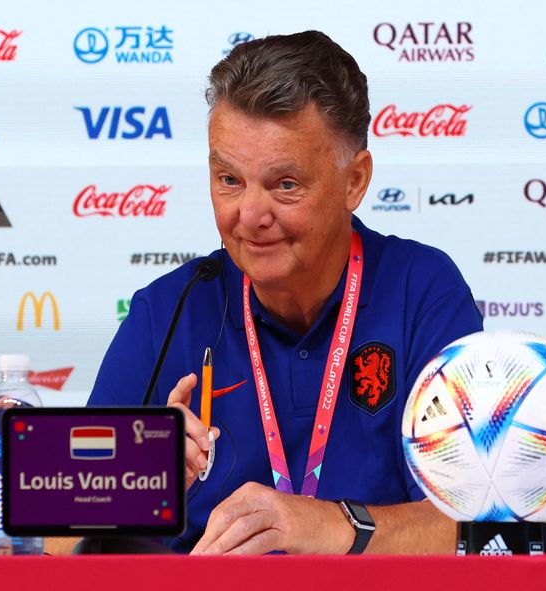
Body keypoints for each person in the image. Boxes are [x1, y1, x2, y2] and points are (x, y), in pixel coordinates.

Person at [86, 30, 483, 555]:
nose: (249, 217)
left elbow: (483, 529)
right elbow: (49, 544)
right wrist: (133, 492)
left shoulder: (423, 291)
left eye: (285, 184)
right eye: (229, 179)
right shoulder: (169, 309)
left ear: (355, 181)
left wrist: (329, 526)